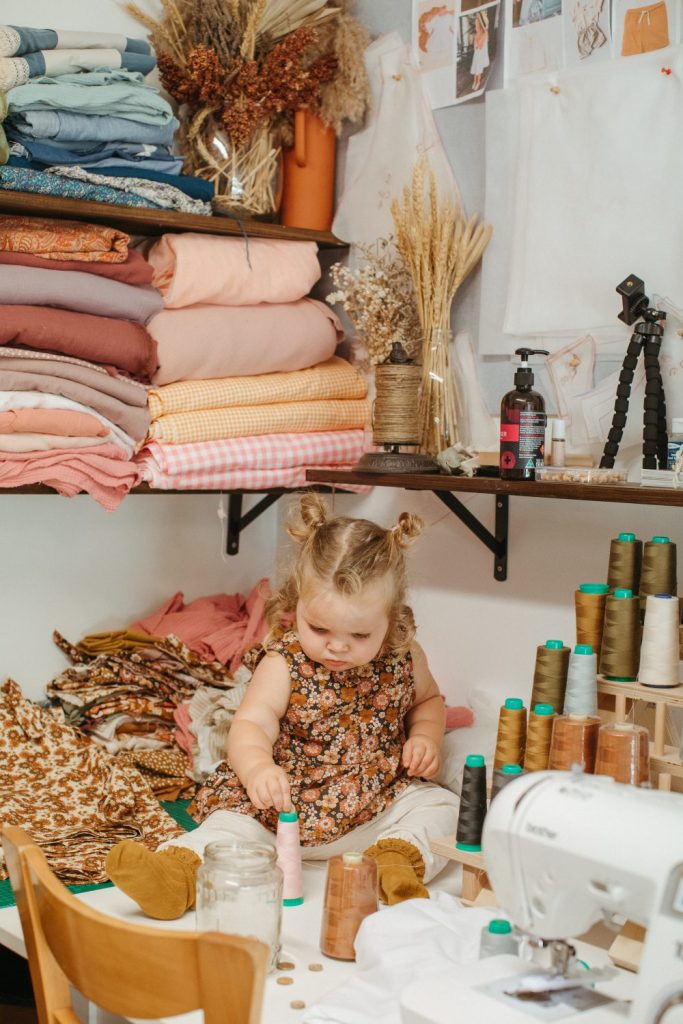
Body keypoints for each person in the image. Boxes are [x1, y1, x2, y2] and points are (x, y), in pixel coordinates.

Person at [106, 494, 461, 919]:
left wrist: (425, 736)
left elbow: (429, 701)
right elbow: (252, 723)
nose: (336, 646)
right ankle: (177, 875)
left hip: (376, 806)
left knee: (445, 809)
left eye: (360, 636)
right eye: (320, 627)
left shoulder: (405, 655)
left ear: (391, 619)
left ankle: (396, 861)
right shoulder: (284, 662)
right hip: (281, 812)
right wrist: (257, 769)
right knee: (229, 829)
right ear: (297, 605)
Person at [470, 10, 490, 92]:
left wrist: (477, 42)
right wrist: (474, 40)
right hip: (476, 55)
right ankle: (475, 80)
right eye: (475, 25)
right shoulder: (477, 34)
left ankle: (478, 81)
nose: (476, 27)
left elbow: (480, 46)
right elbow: (475, 46)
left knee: (478, 70)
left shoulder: (484, 34)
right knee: (475, 69)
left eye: (477, 25)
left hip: (480, 55)